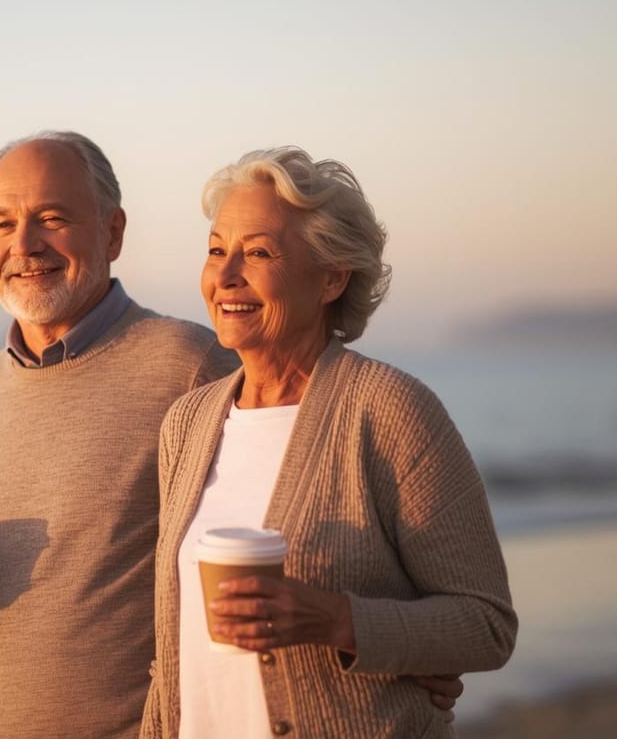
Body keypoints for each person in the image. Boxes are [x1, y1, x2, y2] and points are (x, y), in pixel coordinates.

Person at [0, 132, 465, 737]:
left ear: (113, 232)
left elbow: (327, 515)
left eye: (51, 217)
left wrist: (407, 650)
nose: (24, 244)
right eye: (1, 223)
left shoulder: (190, 365)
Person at [142, 147, 516, 738]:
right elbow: (176, 648)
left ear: (332, 278)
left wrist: (336, 620)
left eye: (259, 252)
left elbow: (485, 624)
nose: (226, 275)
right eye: (217, 250)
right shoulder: (188, 423)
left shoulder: (390, 410)